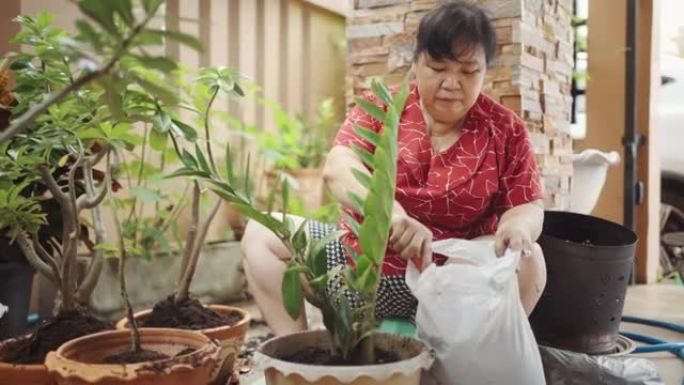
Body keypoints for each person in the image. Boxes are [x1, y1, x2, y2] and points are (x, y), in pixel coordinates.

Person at [241, 1, 547, 335]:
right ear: (416, 62)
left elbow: (526, 204)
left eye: (468, 71)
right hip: (360, 271)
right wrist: (393, 216)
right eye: (439, 67)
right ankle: (297, 351)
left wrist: (517, 228)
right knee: (263, 234)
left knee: (531, 260)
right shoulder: (383, 105)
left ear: (485, 71)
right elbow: (339, 167)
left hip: (453, 288)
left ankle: (469, 364)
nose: (451, 83)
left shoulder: (505, 129)